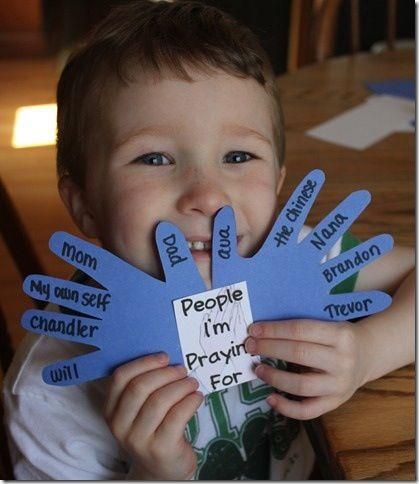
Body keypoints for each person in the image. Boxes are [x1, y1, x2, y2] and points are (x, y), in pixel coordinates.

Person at [3, 0, 414, 480]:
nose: (208, 195)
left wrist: (369, 351)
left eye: (239, 155)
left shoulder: (291, 261)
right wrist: (154, 475)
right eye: (154, 159)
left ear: (279, 183)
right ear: (85, 205)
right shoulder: (50, 390)